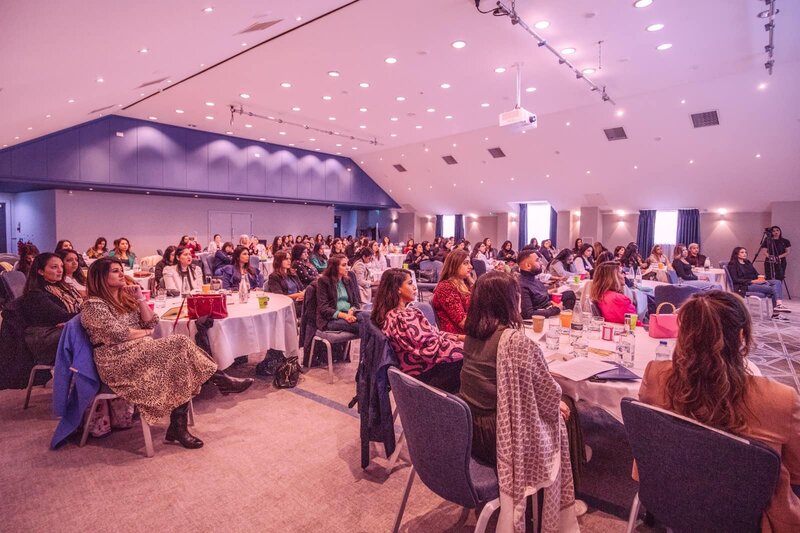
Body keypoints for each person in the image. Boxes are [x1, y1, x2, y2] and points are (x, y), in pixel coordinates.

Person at [638, 291, 800, 531]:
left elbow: (645, 442)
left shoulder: (656, 375)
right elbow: (797, 472)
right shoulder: (780, 400)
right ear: (742, 336)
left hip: (669, 497)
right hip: (748, 517)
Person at [458, 271, 581, 524]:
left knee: (559, 405)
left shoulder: (472, 334)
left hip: (470, 426)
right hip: (499, 436)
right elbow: (547, 393)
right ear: (507, 300)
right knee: (567, 406)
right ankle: (563, 501)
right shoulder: (514, 342)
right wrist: (558, 402)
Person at [82, 258, 231, 450]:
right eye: (115, 271)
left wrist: (140, 299)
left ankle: (179, 426)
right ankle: (217, 378)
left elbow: (151, 323)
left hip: (139, 352)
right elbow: (118, 334)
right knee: (179, 343)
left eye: (121, 270)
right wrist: (144, 333)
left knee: (180, 362)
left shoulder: (124, 297)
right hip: (116, 361)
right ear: (101, 277)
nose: (122, 274)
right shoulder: (94, 305)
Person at [372, 269, 464, 393]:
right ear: (397, 289)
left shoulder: (398, 313)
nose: (415, 287)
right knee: (475, 364)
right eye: (410, 283)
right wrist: (467, 347)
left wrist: (459, 338)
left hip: (423, 368)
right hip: (423, 375)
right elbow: (432, 350)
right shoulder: (402, 318)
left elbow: (434, 334)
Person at [19, 253, 83, 365]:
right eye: (54, 267)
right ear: (41, 271)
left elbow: (72, 314)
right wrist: (85, 317)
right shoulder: (36, 294)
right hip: (44, 338)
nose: (60, 270)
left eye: (61, 266)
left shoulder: (63, 288)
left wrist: (72, 321)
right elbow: (62, 316)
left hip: (62, 331)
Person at [728, 247, 790, 318]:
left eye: (745, 252)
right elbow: (735, 280)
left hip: (756, 282)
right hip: (744, 286)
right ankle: (777, 311)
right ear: (736, 254)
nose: (745, 254)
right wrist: (752, 281)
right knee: (773, 289)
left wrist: (761, 279)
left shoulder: (747, 262)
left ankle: (778, 306)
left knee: (777, 282)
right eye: (742, 252)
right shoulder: (732, 265)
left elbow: (755, 273)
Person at [517, 249, 570, 318]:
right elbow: (528, 313)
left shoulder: (534, 279)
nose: (541, 263)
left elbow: (538, 295)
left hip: (547, 305)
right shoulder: (522, 285)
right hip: (539, 317)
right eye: (537, 260)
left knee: (569, 294)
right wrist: (556, 309)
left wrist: (549, 292)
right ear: (528, 266)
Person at [315, 254, 361, 335]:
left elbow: (356, 303)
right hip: (331, 319)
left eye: (347, 264)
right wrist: (344, 316)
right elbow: (323, 308)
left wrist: (351, 311)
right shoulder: (324, 281)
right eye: (344, 265)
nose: (347, 267)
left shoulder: (348, 280)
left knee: (370, 320)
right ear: (334, 267)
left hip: (349, 314)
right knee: (363, 327)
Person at [432, 249, 473, 334]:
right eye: (466, 263)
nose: (471, 266)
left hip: (470, 332)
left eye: (469, 263)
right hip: (457, 336)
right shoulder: (446, 287)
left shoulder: (465, 284)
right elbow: (462, 322)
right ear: (454, 265)